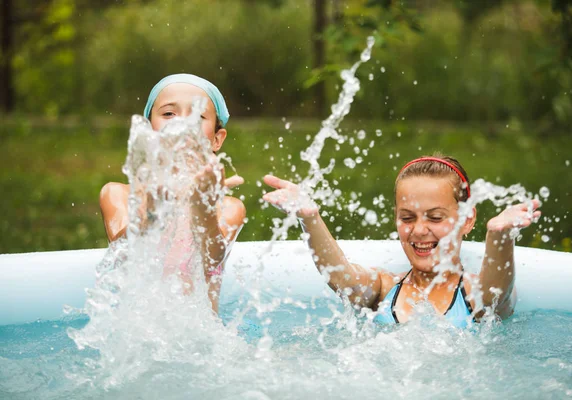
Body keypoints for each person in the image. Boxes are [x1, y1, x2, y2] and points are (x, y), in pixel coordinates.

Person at [261, 155, 541, 328]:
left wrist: (499, 236)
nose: (419, 230)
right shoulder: (385, 289)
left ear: (467, 219)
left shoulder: (471, 293)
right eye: (407, 218)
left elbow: (497, 294)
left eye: (434, 218)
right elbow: (342, 278)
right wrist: (310, 218)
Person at [99, 74, 246, 313]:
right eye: (169, 114)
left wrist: (203, 207)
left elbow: (211, 260)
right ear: (147, 130)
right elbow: (124, 254)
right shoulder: (118, 194)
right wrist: (154, 213)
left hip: (203, 339)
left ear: (217, 139)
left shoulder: (228, 207)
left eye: (197, 116)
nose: (182, 124)